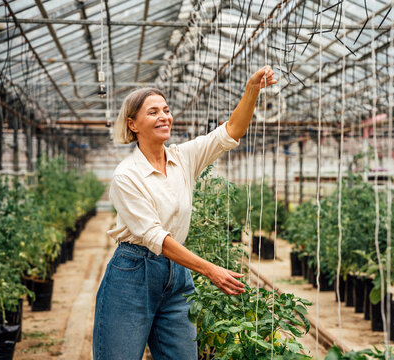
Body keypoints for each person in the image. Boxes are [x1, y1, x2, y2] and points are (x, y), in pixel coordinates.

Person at [92, 66, 277, 360]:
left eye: (166, 110)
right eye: (153, 112)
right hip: (132, 275)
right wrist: (210, 269)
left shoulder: (182, 157)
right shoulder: (126, 175)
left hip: (177, 275)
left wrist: (252, 89)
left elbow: (231, 131)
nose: (164, 117)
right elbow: (156, 237)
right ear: (133, 124)